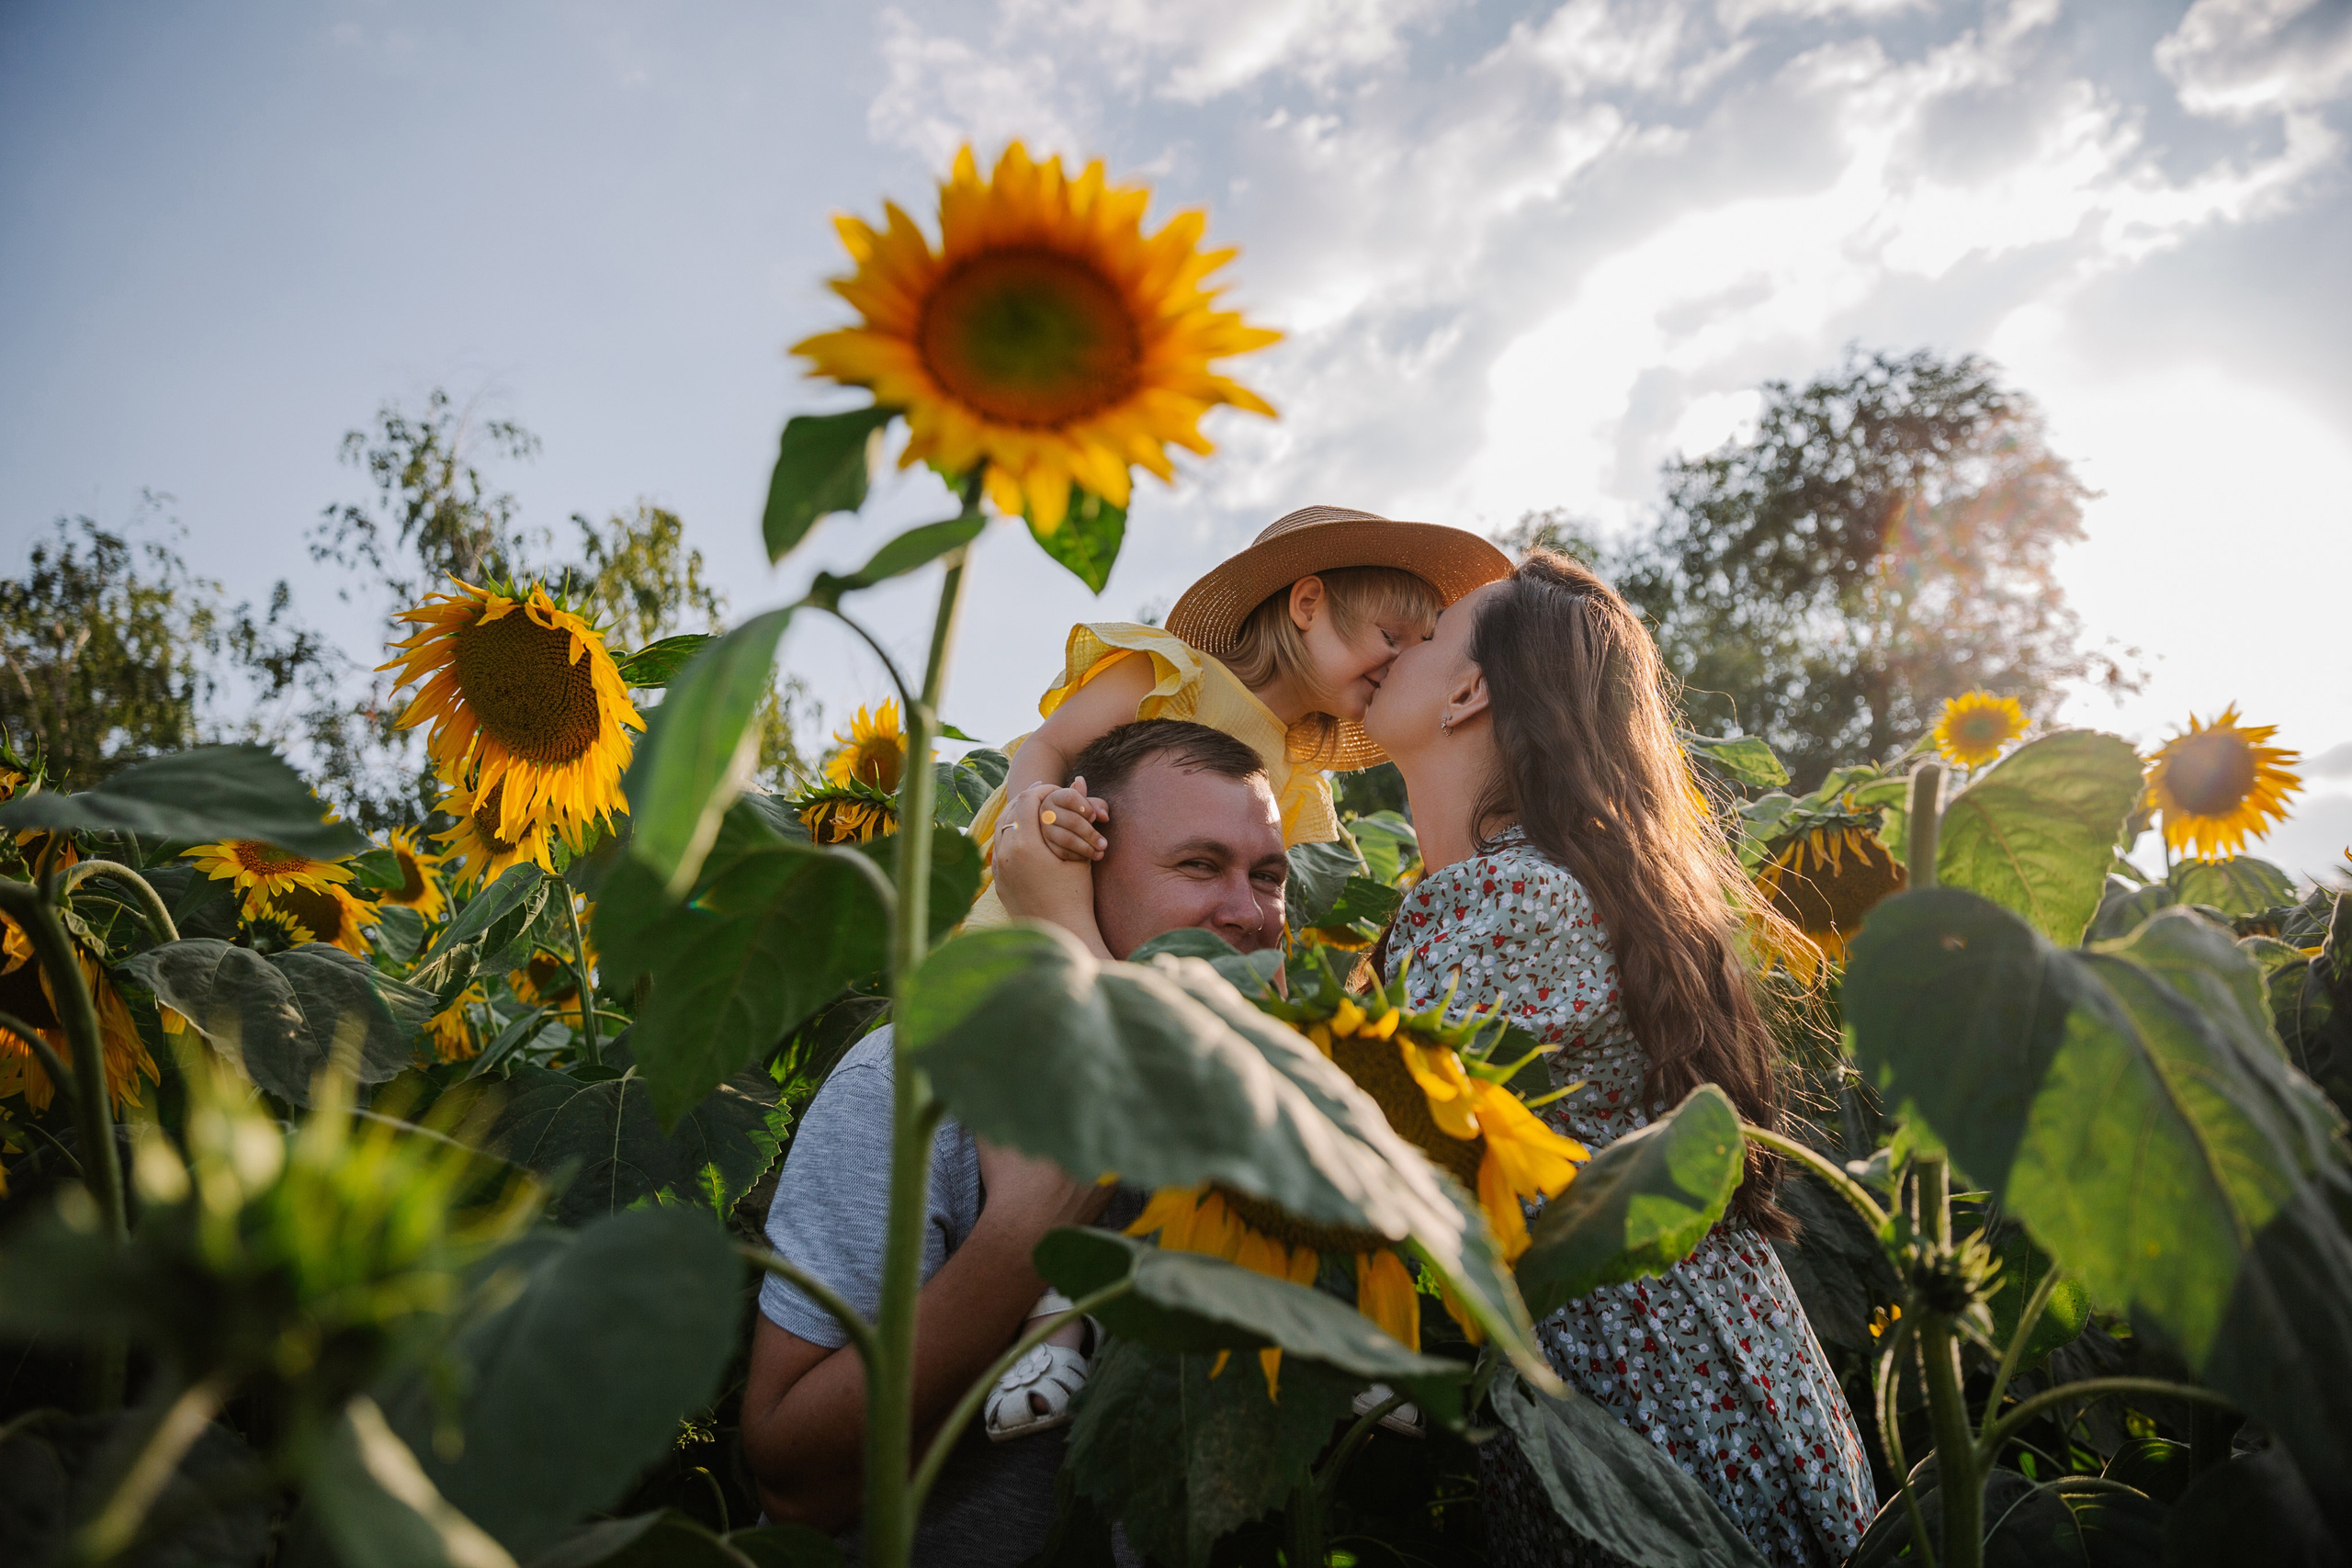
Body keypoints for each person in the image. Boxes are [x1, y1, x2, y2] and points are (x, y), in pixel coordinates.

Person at [1359, 551, 1880, 1568]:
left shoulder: (1512, 901)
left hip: (1647, 1402)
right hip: (1686, 1367)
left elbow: (1341, 1130)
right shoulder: (1547, 882)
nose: (1394, 646)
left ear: (1470, 691)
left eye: (1424, 634)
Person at [740, 719, 1290, 1568]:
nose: (1250, 912)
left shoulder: (1267, 1112)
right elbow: (792, 1482)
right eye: (1199, 865)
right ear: (1079, 866)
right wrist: (1023, 1236)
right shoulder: (917, 1090)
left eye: (1269, 875)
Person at [959, 504, 1510, 927]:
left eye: (1417, 648)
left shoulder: (1296, 776)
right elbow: (1048, 745)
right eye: (1390, 636)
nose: (1400, 662)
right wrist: (1038, 812)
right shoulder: (1177, 677)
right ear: (1308, 605)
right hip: (1033, 916)